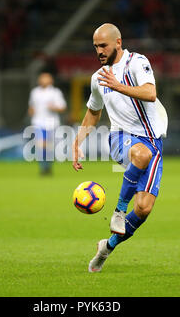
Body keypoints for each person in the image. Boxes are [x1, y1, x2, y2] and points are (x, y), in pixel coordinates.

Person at [72, 23, 168, 272]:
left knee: (144, 208)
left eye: (103, 45)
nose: (99, 51)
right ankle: (118, 210)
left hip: (151, 142)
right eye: (95, 47)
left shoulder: (137, 63)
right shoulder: (97, 78)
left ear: (118, 42)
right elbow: (93, 112)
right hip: (120, 138)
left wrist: (118, 86)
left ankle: (107, 246)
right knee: (141, 153)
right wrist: (77, 141)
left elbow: (150, 93)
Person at [28, 72, 67, 175]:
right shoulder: (35, 92)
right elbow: (32, 106)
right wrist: (31, 111)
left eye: (46, 78)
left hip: (51, 123)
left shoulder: (55, 92)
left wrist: (53, 107)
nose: (43, 80)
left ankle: (48, 166)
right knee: (40, 146)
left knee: (49, 147)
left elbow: (62, 106)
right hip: (38, 122)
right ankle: (43, 168)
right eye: (42, 78)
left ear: (50, 80)